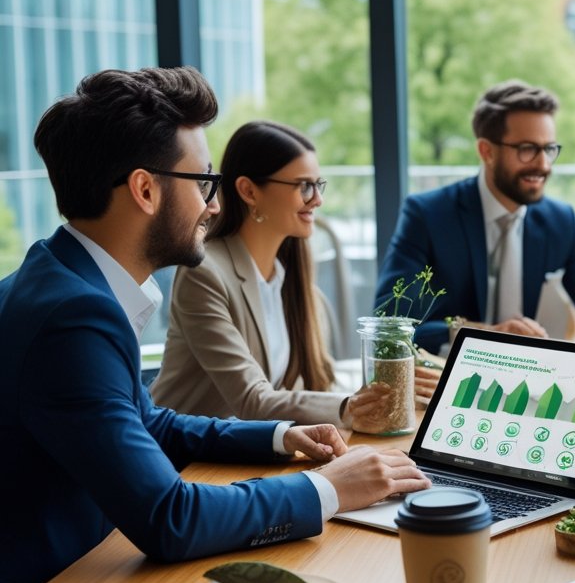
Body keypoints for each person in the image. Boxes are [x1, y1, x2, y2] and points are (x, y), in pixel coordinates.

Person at [0, 68, 429, 583]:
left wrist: (278, 437)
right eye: (204, 183)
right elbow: (169, 520)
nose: (215, 205)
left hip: (78, 579)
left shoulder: (63, 280)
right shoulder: (75, 317)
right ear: (145, 189)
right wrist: (330, 489)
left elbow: (148, 422)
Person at [151, 121, 436, 424]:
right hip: (186, 457)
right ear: (248, 191)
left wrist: (398, 394)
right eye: (304, 186)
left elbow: (307, 388)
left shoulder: (291, 280)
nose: (318, 199)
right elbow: (252, 400)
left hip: (247, 451)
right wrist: (348, 408)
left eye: (318, 184)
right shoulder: (205, 274)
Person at [374, 81, 575, 352]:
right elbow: (389, 323)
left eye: (549, 149)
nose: (543, 165)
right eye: (527, 149)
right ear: (487, 151)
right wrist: (483, 333)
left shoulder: (560, 220)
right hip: (447, 379)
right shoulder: (428, 215)